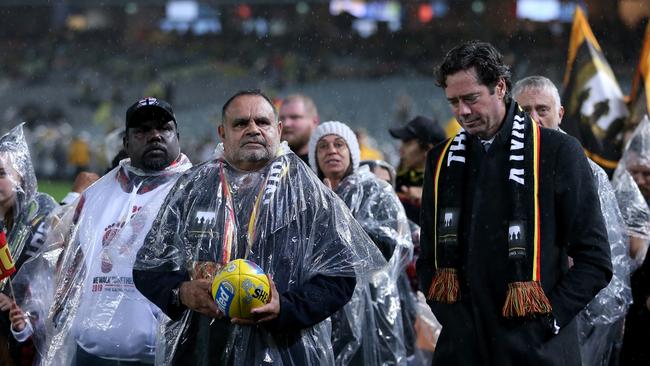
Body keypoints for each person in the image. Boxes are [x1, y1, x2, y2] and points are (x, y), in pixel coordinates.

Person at [132, 90, 384, 365]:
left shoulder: (308, 190)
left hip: (286, 350)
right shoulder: (191, 187)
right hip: (201, 349)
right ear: (222, 132)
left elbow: (340, 278)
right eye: (240, 123)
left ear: (277, 130)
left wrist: (285, 308)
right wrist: (181, 293)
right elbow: (148, 269)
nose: (253, 129)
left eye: (262, 122)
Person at [417, 41, 612, 365]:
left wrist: (546, 321)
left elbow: (595, 259)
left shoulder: (558, 152)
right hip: (462, 352)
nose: (462, 111)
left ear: (500, 87)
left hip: (538, 353)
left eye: (471, 98)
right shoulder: (440, 160)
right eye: (453, 102)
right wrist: (454, 321)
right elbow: (428, 259)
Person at [12, 97, 192, 365]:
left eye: (163, 128)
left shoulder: (197, 190)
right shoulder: (96, 195)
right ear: (127, 143)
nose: (154, 136)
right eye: (142, 130)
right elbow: (70, 267)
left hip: (163, 353)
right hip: (91, 351)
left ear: (177, 136)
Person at [514, 75, 632, 366]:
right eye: (524, 111)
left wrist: (558, 312)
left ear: (560, 113)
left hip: (573, 306)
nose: (534, 119)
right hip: (515, 313)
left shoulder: (586, 170)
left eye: (542, 109)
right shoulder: (500, 166)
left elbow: (607, 255)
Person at [308, 121, 416, 365]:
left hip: (373, 308)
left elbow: (382, 250)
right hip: (325, 310)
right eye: (323, 146)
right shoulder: (308, 196)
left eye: (339, 144)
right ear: (315, 157)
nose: (332, 151)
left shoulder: (376, 192)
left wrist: (336, 215)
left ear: (352, 153)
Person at [0, 124, 58, 366]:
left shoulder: (42, 217)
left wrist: (19, 307)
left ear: (20, 175)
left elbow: (51, 283)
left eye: (1, 173)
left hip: (27, 339)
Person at [389, 116, 445, 224]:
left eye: (407, 143)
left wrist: (430, 198)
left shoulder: (448, 185)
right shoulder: (397, 180)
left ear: (428, 150)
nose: (401, 149)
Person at [279, 93, 319, 164]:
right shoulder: (270, 165)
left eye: (294, 117)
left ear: (314, 122)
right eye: (282, 118)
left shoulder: (325, 167)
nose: (286, 124)